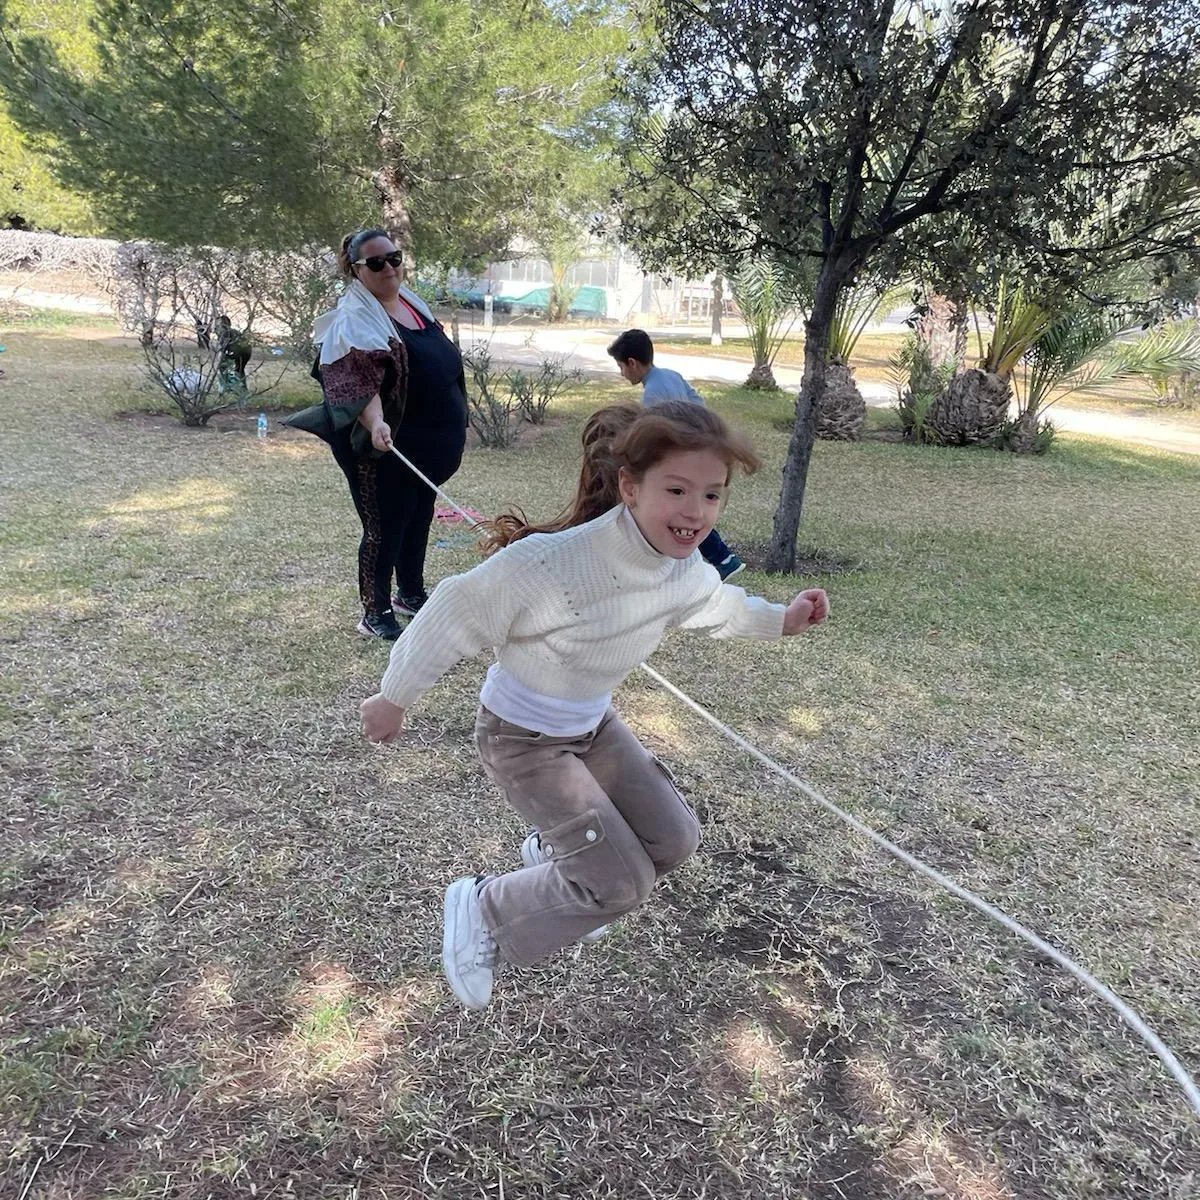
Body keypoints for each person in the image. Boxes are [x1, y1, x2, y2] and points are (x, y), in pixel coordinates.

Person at [360, 401, 830, 1010]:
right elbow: (457, 607)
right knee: (621, 885)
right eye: (677, 490)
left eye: (712, 495)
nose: (695, 512)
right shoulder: (557, 563)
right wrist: (393, 696)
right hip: (522, 738)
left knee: (675, 841)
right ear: (630, 488)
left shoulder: (683, 570)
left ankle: (560, 855)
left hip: (591, 725)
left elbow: (717, 607)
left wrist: (782, 619)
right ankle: (485, 907)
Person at [286, 228, 468, 640]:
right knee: (385, 526)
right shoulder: (355, 318)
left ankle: (409, 593)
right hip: (384, 446)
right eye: (376, 262)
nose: (389, 267)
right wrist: (377, 423)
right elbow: (357, 381)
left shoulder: (410, 303)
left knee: (419, 516)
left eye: (394, 257)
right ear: (355, 270)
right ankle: (375, 611)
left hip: (426, 445)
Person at [607, 328, 746, 580]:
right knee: (693, 508)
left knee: (681, 510)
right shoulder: (670, 375)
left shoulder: (653, 395)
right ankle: (724, 558)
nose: (622, 373)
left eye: (621, 367)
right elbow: (698, 407)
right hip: (703, 448)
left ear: (632, 363)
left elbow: (657, 436)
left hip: (683, 459)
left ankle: (722, 559)